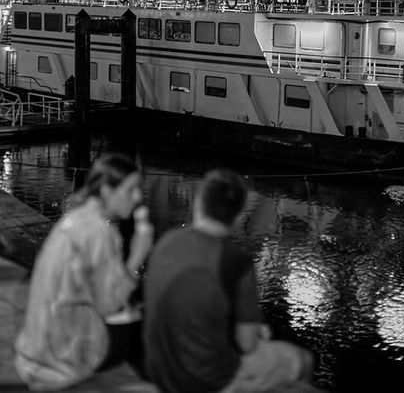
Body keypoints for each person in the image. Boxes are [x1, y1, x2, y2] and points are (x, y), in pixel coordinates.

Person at [143, 168, 314, 393]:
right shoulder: (236, 262)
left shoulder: (167, 241)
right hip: (203, 378)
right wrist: (251, 331)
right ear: (236, 217)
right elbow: (246, 344)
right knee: (300, 359)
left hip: (158, 367)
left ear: (199, 204)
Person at [14, 153, 154, 392]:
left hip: (34, 349)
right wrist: (138, 256)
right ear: (108, 192)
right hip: (59, 360)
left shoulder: (76, 216)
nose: (138, 197)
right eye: (131, 190)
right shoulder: (99, 231)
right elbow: (111, 303)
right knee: (147, 325)